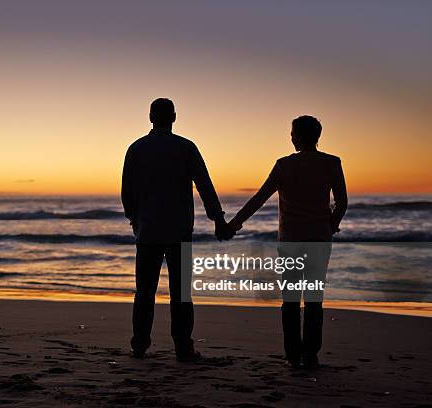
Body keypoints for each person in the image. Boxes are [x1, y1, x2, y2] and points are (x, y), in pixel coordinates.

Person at [225, 115, 347, 369]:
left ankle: (293, 355)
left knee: (290, 299)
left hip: (291, 240)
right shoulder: (332, 163)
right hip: (319, 240)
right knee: (314, 299)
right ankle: (311, 354)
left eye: (292, 133)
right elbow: (342, 202)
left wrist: (235, 223)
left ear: (299, 136)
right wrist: (331, 224)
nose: (290, 137)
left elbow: (259, 198)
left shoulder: (283, 165)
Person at [121, 98, 233, 361]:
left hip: (147, 230)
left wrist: (134, 220)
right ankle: (183, 347)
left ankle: (140, 344)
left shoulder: (136, 148)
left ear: (150, 117)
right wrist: (217, 219)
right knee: (181, 292)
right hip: (179, 229)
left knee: (145, 292)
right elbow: (205, 185)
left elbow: (127, 192)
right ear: (174, 117)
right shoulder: (185, 147)